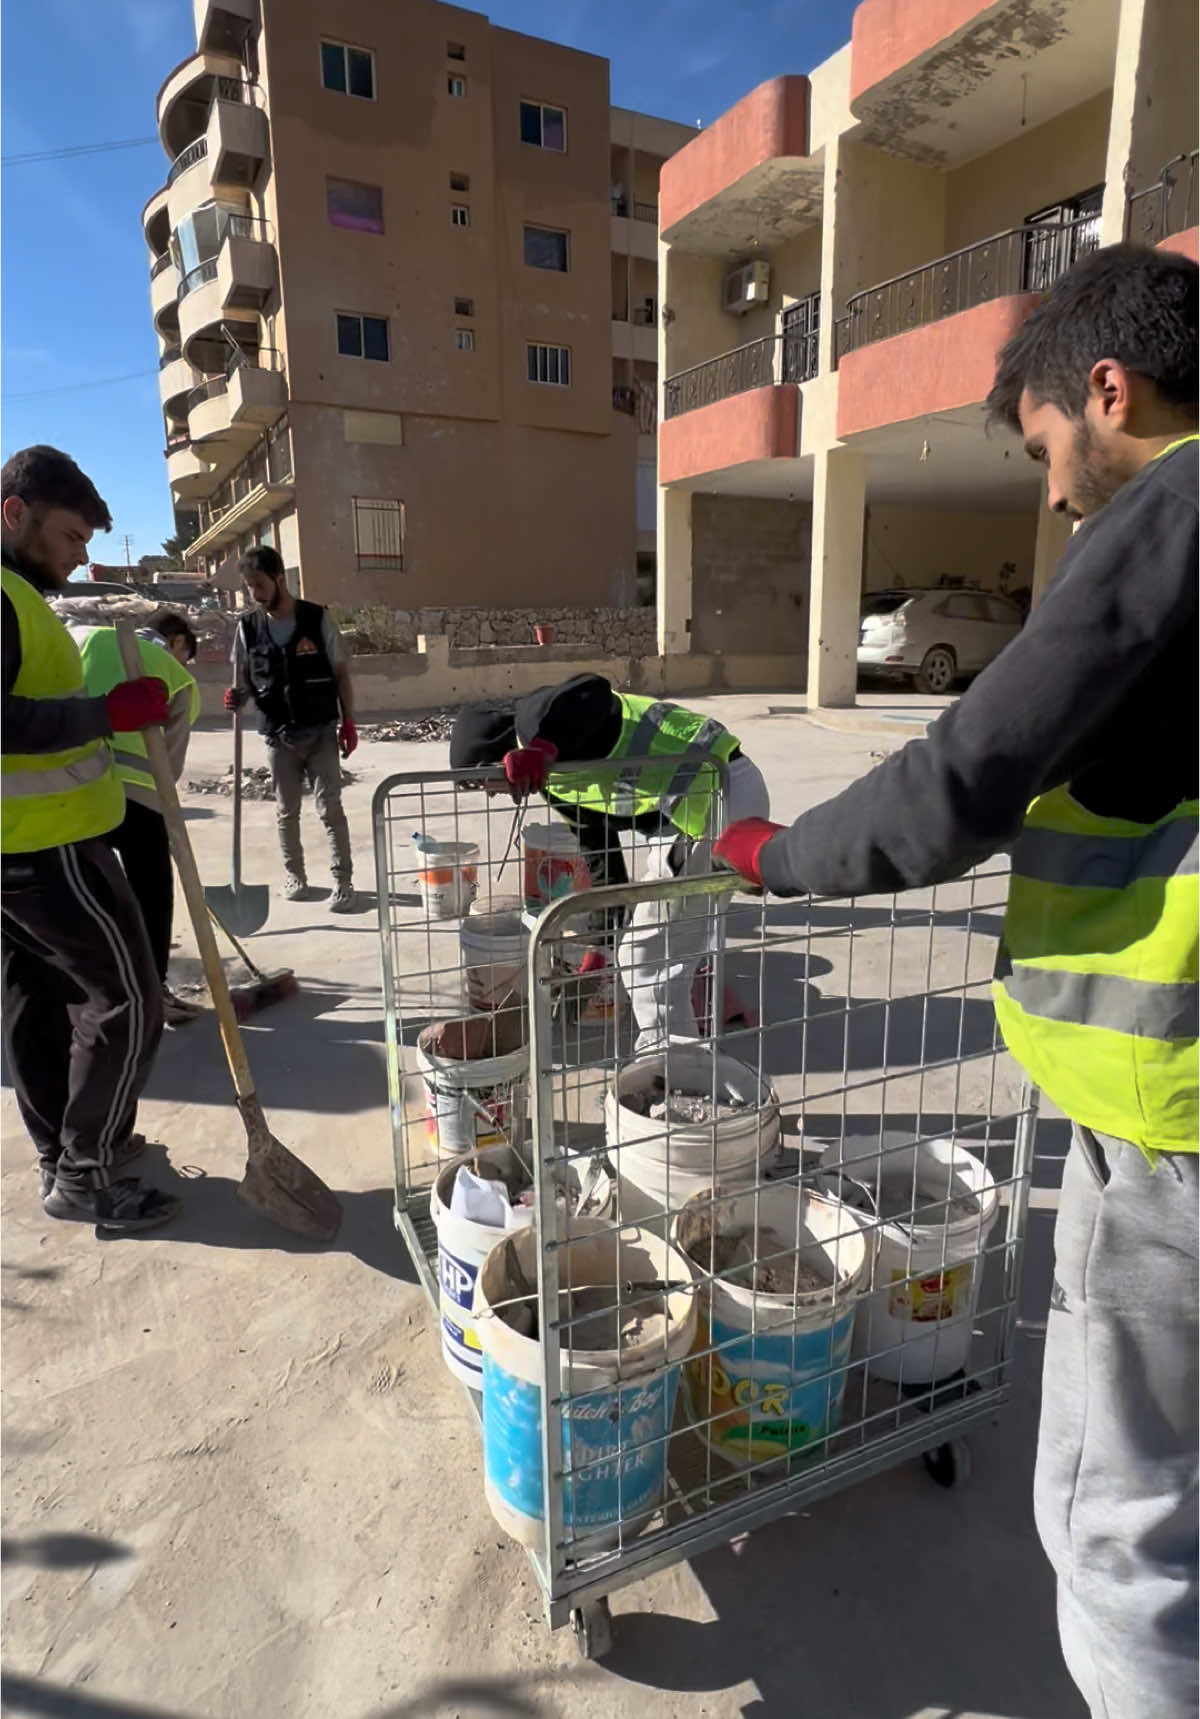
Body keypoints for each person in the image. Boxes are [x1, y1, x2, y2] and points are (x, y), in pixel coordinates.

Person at [712, 244, 1198, 1719]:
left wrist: (770, 851)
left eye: (1051, 446)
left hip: (1170, 1104)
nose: (1055, 493)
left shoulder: (1174, 506)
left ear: (1107, 389)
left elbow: (960, 771)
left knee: (1127, 1524)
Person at [1, 445, 182, 1231]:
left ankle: (63, 1156)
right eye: (73, 538)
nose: (81, 558)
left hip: (19, 846)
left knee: (34, 1003)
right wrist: (105, 714)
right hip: (45, 847)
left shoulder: (17, 595)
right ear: (17, 514)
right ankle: (85, 1169)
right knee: (131, 1000)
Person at [450, 674, 770, 1047]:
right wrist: (600, 947)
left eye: (477, 783)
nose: (487, 795)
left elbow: (592, 689)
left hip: (722, 798)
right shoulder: (556, 786)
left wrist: (541, 746)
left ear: (492, 759)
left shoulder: (538, 719)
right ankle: (675, 1058)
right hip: (688, 820)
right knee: (656, 944)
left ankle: (668, 1072)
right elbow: (603, 862)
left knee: (647, 955)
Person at [73, 611, 202, 1025]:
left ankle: (92, 993)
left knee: (87, 894)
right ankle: (153, 992)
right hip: (138, 798)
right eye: (188, 656)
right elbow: (170, 767)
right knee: (151, 891)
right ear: (178, 642)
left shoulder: (85, 640)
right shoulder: (177, 676)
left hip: (75, 793)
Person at [224, 547, 358, 911]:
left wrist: (349, 721)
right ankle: (295, 875)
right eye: (249, 587)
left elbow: (342, 674)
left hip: (320, 732)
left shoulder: (317, 619)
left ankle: (343, 880)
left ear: (280, 578)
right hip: (278, 737)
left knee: (330, 808)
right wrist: (237, 696)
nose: (255, 593)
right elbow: (245, 681)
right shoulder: (247, 627)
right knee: (286, 811)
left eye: (260, 584)